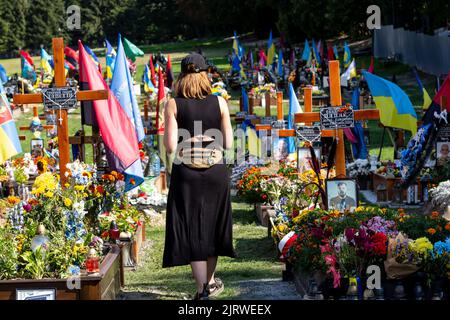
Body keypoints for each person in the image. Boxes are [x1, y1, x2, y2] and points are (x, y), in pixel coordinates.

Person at [162, 53, 235, 300]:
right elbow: (228, 142)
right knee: (213, 226)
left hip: (187, 173)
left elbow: (171, 147)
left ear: (182, 76)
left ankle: (202, 288)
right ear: (206, 75)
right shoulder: (220, 103)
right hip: (216, 171)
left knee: (193, 228)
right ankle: (209, 284)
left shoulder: (173, 104)